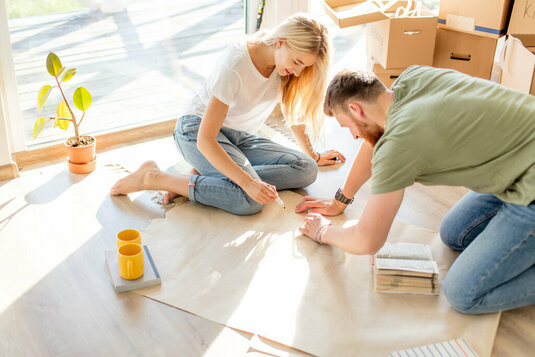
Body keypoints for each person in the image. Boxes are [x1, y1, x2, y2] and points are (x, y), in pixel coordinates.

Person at [297, 65, 535, 314]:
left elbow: (367, 240)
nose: (354, 136)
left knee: (463, 293)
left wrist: (323, 232)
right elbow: (375, 141)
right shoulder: (411, 79)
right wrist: (340, 201)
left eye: (348, 126)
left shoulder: (399, 145)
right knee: (455, 233)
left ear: (356, 109)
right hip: (519, 155)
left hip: (530, 188)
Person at [110, 14, 345, 215]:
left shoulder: (283, 68)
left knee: (305, 169)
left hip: (238, 139)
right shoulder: (236, 63)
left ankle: (210, 174)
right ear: (281, 41)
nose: (296, 71)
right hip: (196, 131)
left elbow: (293, 114)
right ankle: (154, 178)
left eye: (304, 66)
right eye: (297, 62)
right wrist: (248, 182)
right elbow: (205, 139)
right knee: (250, 198)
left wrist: (313, 155)